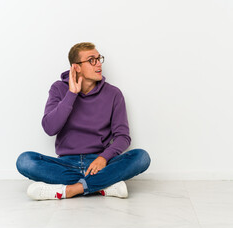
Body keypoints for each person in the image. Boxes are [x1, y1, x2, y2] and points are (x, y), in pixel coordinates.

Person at [16, 42, 151, 200]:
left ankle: (71, 190)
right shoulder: (59, 89)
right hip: (66, 164)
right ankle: (103, 186)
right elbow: (49, 128)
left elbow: (123, 136)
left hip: (100, 163)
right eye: (92, 60)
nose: (98, 63)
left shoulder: (114, 94)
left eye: (99, 58)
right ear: (76, 67)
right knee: (25, 161)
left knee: (141, 157)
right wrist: (71, 94)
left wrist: (103, 158)